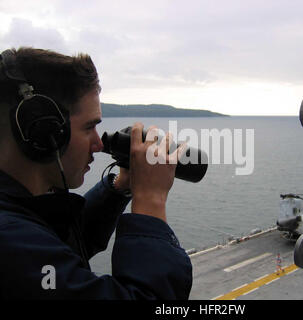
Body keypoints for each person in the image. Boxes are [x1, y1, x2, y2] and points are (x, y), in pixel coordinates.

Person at [0, 47, 192, 299]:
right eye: (89, 126)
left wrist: (120, 186)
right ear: (44, 130)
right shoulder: (11, 242)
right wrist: (150, 200)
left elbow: (61, 243)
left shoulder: (18, 217)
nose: (98, 144)